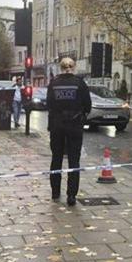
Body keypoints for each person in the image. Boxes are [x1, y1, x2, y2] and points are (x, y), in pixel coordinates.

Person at [47, 58, 92, 206]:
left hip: (57, 125)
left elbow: (49, 104)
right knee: (74, 160)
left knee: (56, 158)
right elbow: (88, 105)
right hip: (74, 125)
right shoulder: (80, 83)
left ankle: (55, 192)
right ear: (73, 67)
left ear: (61, 68)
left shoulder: (54, 83)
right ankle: (71, 195)